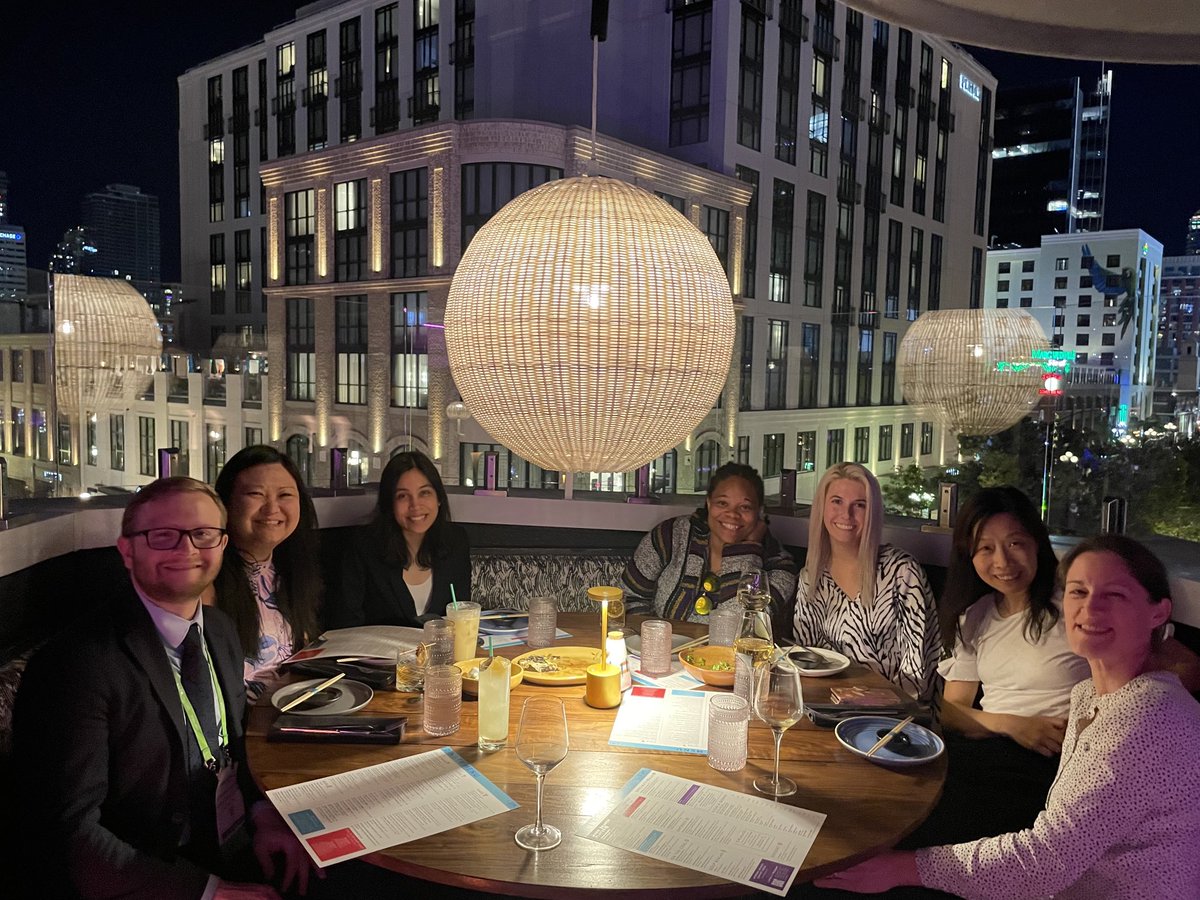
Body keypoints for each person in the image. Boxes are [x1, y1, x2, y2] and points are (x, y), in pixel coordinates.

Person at [816, 534, 1200, 898]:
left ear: (1158, 613)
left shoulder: (1147, 716)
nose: (1090, 608)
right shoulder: (1088, 694)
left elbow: (1047, 860)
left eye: (1114, 595)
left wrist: (903, 868)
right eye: (1078, 591)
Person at [11, 477, 311, 899]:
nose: (186, 549)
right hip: (151, 875)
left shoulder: (221, 631)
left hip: (226, 842)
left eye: (203, 534)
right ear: (127, 550)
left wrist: (261, 814)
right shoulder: (78, 663)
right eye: (162, 535)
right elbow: (67, 833)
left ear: (222, 545)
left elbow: (231, 748)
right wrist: (206, 892)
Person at [914, 486, 1090, 845]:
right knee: (905, 781)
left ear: (1036, 542)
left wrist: (1097, 723)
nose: (1003, 563)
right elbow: (951, 710)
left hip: (1048, 764)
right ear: (970, 556)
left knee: (932, 814)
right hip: (991, 750)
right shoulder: (975, 616)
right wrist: (1012, 725)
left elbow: (1179, 667)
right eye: (985, 549)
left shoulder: (1073, 602)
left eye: (1015, 544)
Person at [792, 462, 940, 703]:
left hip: (896, 715)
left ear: (872, 512)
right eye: (836, 501)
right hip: (830, 709)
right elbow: (808, 660)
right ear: (821, 508)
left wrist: (867, 703)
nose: (846, 515)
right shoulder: (811, 576)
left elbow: (919, 674)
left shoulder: (902, 572)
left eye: (859, 505)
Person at [622, 462, 797, 633]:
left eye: (745, 507)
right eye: (722, 503)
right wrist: (654, 642)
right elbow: (628, 597)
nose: (732, 514)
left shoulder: (780, 569)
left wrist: (746, 551)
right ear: (708, 503)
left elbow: (741, 630)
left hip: (729, 661)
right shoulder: (672, 535)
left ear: (759, 512)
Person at [210, 446, 322, 703]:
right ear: (226, 503)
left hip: (290, 711)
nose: (272, 508)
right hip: (243, 728)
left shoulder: (291, 571)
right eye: (256, 494)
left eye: (285, 495)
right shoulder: (208, 579)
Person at [329, 450, 471, 627]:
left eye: (424, 493)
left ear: (439, 499)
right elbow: (347, 623)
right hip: (378, 653)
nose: (415, 506)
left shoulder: (455, 540)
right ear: (389, 503)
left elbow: (461, 612)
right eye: (403, 496)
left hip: (441, 653)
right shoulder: (364, 546)